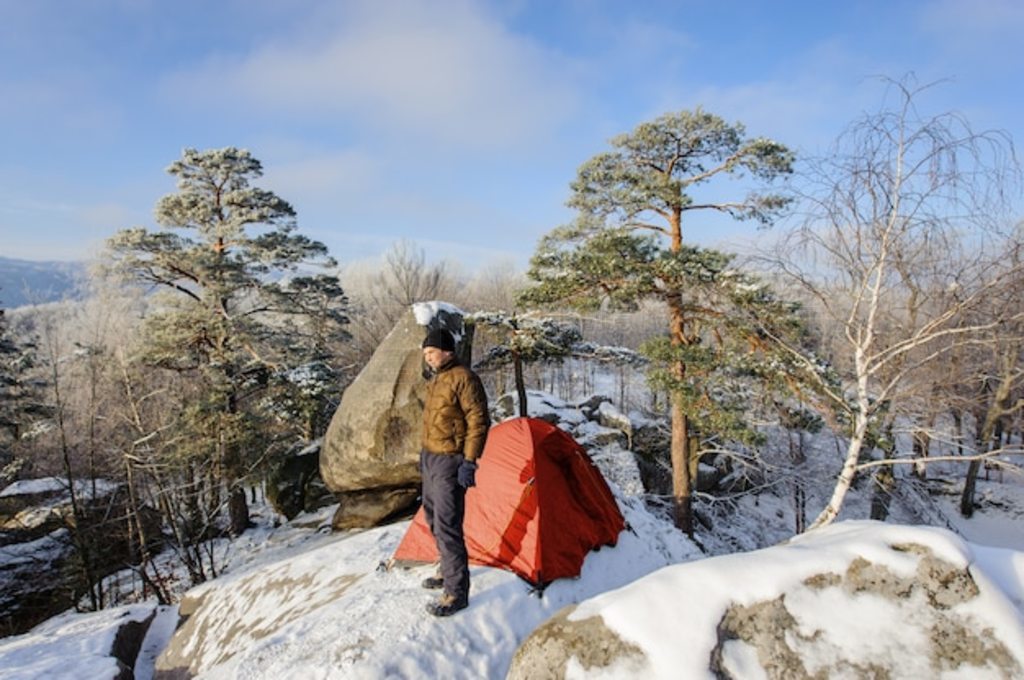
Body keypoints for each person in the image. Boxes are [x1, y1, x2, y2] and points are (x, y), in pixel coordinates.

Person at [419, 327, 490, 617]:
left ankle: (456, 593)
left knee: (448, 524)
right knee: (432, 517)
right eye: (425, 354)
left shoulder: (465, 378)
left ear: (447, 351)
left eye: (432, 352)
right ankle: (445, 570)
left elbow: (478, 421)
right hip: (430, 457)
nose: (428, 358)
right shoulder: (437, 379)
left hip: (451, 460)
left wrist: (470, 460)